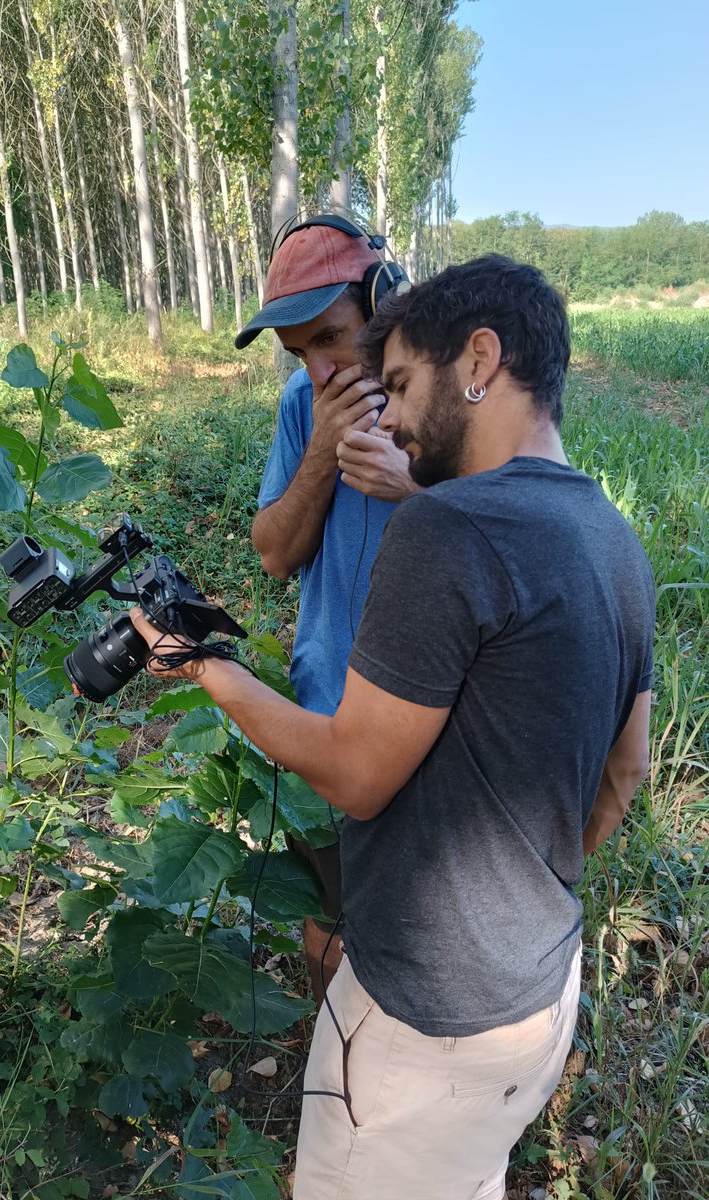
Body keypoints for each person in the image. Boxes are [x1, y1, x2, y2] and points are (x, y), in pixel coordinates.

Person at [131, 254, 654, 1199]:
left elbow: (357, 776)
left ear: (479, 360)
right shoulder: (616, 541)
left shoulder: (446, 528)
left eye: (404, 383)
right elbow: (626, 772)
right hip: (538, 994)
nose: (395, 415)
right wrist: (516, 894)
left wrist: (203, 665)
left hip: (427, 1020)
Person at [235, 217, 418, 992]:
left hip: (429, 717)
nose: (318, 367)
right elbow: (275, 552)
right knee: (328, 906)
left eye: (332, 337)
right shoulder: (301, 408)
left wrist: (416, 491)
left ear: (385, 303)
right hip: (325, 706)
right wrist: (321, 454)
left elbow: (512, 538)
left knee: (420, 922)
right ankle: (329, 1054)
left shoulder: (453, 403)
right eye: (299, 351)